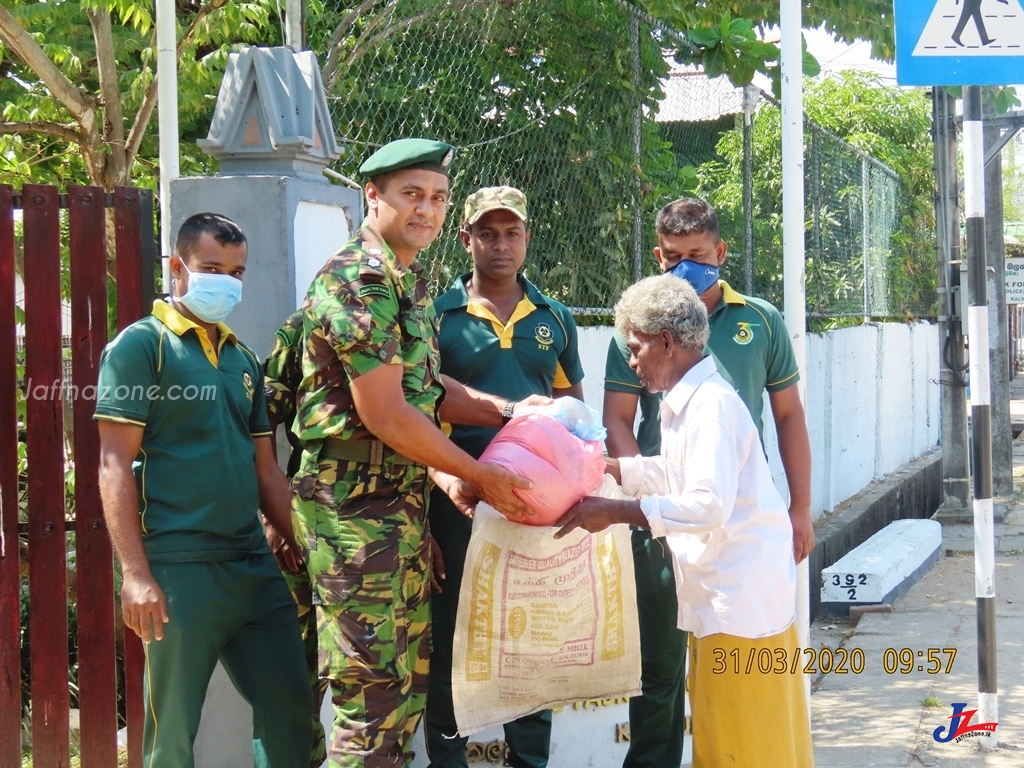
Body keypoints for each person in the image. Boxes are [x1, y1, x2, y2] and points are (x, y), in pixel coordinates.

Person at [290, 139, 538, 768]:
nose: (425, 209)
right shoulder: (360, 278)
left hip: (396, 509)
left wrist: (508, 411)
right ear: (371, 196)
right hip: (352, 513)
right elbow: (384, 411)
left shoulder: (407, 278)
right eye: (411, 195)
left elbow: (424, 389)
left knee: (403, 697)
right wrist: (475, 472)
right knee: (371, 706)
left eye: (436, 197)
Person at [559, 274, 814, 768]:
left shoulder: (709, 409)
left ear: (667, 343)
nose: (631, 362)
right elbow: (675, 473)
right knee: (735, 732)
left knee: (743, 740)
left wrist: (615, 512)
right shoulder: (691, 402)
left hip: (738, 605)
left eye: (635, 348)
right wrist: (612, 469)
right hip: (728, 599)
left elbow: (706, 505)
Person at [95, 213, 312, 768]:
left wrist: (318, 554)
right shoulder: (143, 347)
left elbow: (267, 474)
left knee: (292, 713)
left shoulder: (242, 360)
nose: (226, 283)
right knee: (172, 735)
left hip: (252, 566)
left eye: (236, 272)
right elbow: (114, 463)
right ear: (177, 268)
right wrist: (136, 576)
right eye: (212, 268)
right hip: (179, 567)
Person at [424, 186, 585, 768]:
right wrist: (437, 496)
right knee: (453, 641)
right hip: (459, 503)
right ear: (465, 240)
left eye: (511, 232)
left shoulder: (555, 317)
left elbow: (573, 414)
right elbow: (418, 410)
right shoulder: (435, 318)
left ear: (526, 238)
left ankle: (529, 762)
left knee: (531, 640)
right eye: (487, 234)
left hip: (533, 508)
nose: (500, 244)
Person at [263, 309, 327, 768]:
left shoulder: (417, 318)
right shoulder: (304, 326)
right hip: (304, 525)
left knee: (377, 681)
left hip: (394, 530)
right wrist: (274, 516)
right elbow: (258, 425)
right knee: (296, 678)